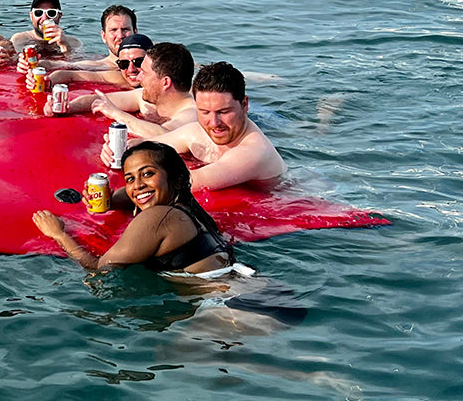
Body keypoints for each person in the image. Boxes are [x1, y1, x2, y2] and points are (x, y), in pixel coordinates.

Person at [33, 141, 232, 274]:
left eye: (147, 174)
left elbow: (98, 269)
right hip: (241, 288)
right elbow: (137, 192)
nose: (137, 185)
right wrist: (108, 200)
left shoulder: (157, 218)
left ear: (176, 178)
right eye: (130, 179)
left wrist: (58, 234)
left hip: (221, 310)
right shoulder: (188, 208)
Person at [109, 61, 286, 190]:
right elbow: (150, 147)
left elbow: (191, 182)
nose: (214, 123)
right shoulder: (196, 132)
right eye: (204, 112)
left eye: (224, 112)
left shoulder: (253, 152)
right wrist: (118, 151)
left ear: (245, 105)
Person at [52, 40, 197, 137]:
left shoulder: (192, 113)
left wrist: (116, 114)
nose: (139, 78)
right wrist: (67, 107)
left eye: (144, 73)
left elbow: (165, 135)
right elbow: (99, 100)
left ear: (165, 83)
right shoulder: (144, 97)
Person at [25, 5, 138, 87]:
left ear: (135, 32)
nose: (120, 35)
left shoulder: (150, 59)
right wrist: (32, 64)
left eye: (125, 29)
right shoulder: (100, 65)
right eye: (113, 30)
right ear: (103, 36)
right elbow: (65, 69)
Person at [9, 0, 83, 59]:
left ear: (59, 16)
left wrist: (65, 46)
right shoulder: (19, 39)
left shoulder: (73, 42)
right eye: (38, 13)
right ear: (31, 16)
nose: (44, 18)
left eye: (51, 13)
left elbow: (79, 66)